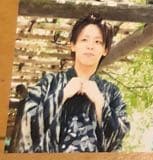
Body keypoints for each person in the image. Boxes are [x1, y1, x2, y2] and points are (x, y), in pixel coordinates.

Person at [14, 13, 130, 152]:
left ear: (105, 50)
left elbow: (118, 140)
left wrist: (100, 103)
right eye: (84, 40)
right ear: (72, 45)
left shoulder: (112, 92)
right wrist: (61, 95)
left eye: (97, 42)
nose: (90, 46)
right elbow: (25, 125)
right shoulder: (49, 83)